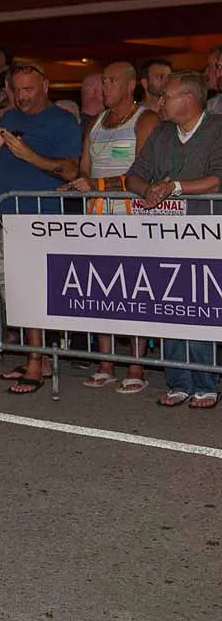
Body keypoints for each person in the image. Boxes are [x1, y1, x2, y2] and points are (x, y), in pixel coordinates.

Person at [60, 61, 160, 394]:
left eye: (112, 81)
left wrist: (97, 185)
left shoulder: (145, 120)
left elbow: (144, 173)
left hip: (131, 216)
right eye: (103, 81)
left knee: (134, 289)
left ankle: (136, 365)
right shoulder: (96, 122)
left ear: (131, 85)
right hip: (97, 216)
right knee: (100, 287)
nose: (105, 87)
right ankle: (106, 363)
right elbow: (85, 169)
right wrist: (77, 182)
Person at [0, 63, 82, 394]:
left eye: (29, 89)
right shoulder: (9, 117)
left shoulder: (62, 121)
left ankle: (36, 363)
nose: (22, 96)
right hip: (5, 216)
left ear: (46, 86)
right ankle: (36, 357)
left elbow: (71, 170)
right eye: (17, 90)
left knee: (33, 292)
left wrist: (29, 155)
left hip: (39, 218)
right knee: (13, 292)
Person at [126, 71, 222, 409]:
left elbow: (217, 179)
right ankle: (178, 380)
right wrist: (148, 191)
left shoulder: (217, 129)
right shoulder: (162, 133)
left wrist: (174, 187)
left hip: (206, 232)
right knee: (169, 306)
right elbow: (134, 175)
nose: (160, 103)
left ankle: (206, 382)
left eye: (166, 97)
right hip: (165, 233)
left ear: (189, 100)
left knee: (199, 306)